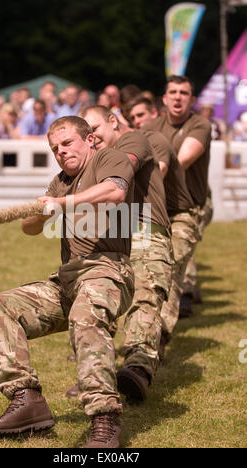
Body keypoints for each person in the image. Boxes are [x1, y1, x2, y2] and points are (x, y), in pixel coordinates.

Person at [0, 115, 137, 448]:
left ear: (90, 140)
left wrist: (64, 204)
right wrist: (44, 210)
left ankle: (104, 420)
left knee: (86, 317)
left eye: (67, 143)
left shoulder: (110, 159)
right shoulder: (60, 182)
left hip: (107, 272)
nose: (61, 152)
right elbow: (29, 227)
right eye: (55, 148)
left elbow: (115, 192)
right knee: (0, 308)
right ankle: (27, 401)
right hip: (67, 281)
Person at [73, 105, 173, 403]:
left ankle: (137, 370)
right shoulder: (94, 160)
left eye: (95, 129)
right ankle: (95, 378)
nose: (92, 138)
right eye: (86, 135)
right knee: (94, 303)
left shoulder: (134, 141)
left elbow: (123, 169)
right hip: (113, 236)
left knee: (145, 297)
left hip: (145, 228)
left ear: (112, 121)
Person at [128, 94, 199, 351]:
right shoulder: (132, 143)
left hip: (178, 216)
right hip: (152, 219)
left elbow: (158, 173)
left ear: (155, 115)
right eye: (133, 117)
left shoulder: (154, 140)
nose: (138, 121)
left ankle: (158, 336)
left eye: (141, 115)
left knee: (169, 267)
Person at [142, 75, 212, 317]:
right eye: (173, 92)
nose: (178, 97)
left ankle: (173, 313)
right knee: (153, 265)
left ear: (192, 99)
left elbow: (181, 161)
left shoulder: (200, 125)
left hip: (188, 206)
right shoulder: (150, 128)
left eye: (184, 93)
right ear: (164, 98)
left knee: (176, 260)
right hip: (158, 205)